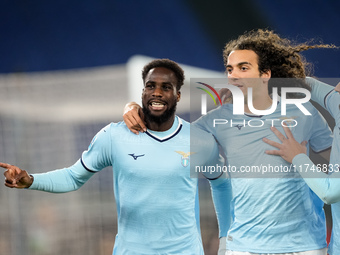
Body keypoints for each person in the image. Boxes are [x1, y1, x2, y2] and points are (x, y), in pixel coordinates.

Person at [122, 29, 336, 255]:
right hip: (245, 247)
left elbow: (334, 170)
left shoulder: (303, 113)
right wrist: (132, 107)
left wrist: (300, 159)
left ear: (265, 74)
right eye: (230, 69)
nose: (234, 75)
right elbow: (165, 134)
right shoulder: (218, 118)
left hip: (304, 246)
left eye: (244, 68)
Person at [1, 58, 227, 255]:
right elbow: (73, 177)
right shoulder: (114, 136)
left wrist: (227, 238)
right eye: (151, 86)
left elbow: (222, 185)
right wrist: (31, 180)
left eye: (166, 87)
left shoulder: (200, 139)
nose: (157, 92)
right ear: (143, 92)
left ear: (177, 95)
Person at [263, 79, 340, 255]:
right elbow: (306, 83)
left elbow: (330, 193)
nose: (337, 87)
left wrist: (297, 156)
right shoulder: (338, 102)